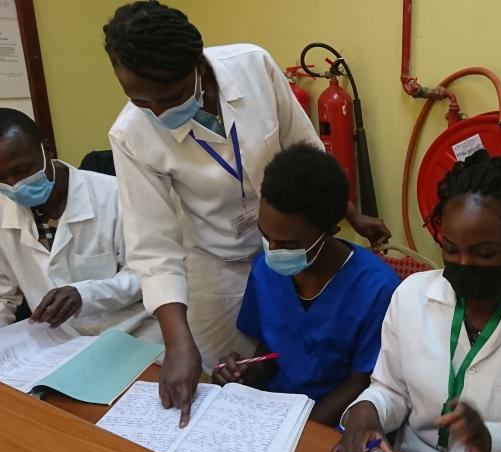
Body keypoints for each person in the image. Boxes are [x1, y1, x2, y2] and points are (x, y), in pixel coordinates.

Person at [103, 1, 390, 426]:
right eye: (140, 100)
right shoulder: (131, 134)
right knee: (224, 385)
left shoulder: (253, 66)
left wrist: (350, 214)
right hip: (216, 262)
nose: (158, 114)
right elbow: (154, 248)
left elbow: (305, 151)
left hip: (295, 240)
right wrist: (178, 343)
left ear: (199, 67)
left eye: (169, 97)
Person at [331, 150, 501, 452]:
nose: (464, 263)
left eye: (484, 253)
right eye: (451, 249)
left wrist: (492, 441)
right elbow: (391, 389)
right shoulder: (411, 296)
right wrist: (368, 408)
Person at [212, 144, 399, 426]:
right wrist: (247, 372)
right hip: (273, 411)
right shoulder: (265, 270)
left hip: (334, 420)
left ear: (329, 232)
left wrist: (298, 430)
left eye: (287, 245)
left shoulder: (377, 290)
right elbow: (271, 347)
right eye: (266, 236)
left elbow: (361, 381)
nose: (272, 250)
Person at [0, 108, 158, 341]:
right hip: (60, 341)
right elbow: (4, 296)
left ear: (47, 149)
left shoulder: (116, 195)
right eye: (1, 178)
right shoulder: (4, 211)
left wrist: (85, 294)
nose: (14, 185)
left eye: (22, 170)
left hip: (134, 332)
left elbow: (149, 273)